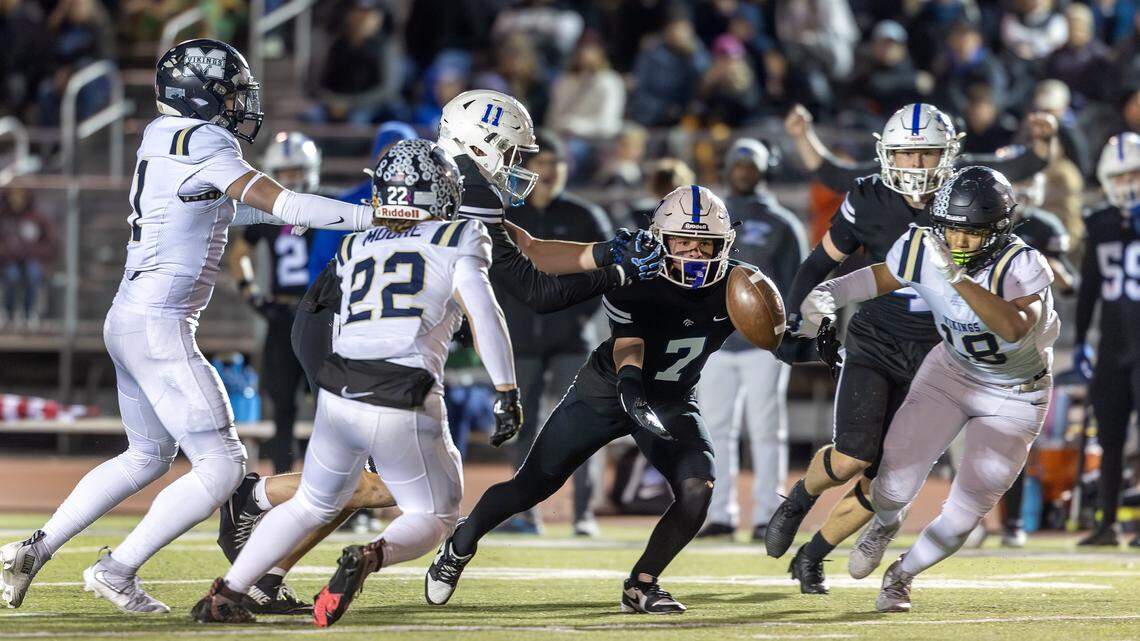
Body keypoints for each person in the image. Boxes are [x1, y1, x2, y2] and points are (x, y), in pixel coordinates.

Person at [212, 89, 664, 603]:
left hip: (349, 322)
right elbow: (535, 291)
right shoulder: (461, 192)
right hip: (345, 331)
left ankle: (263, 569)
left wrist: (604, 252)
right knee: (370, 486)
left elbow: (529, 248)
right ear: (480, 146)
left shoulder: (446, 178)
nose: (517, 166)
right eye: (510, 152)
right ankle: (257, 503)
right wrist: (615, 271)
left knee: (364, 484)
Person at [0, 38, 386, 613]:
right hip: (158, 323)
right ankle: (117, 568)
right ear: (201, 96)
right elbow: (290, 206)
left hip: (130, 316)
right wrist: (380, 215)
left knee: (147, 455)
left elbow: (219, 204)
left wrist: (294, 210)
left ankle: (35, 547)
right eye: (230, 94)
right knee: (225, 464)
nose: (239, 106)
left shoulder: (165, 135)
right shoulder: (205, 141)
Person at [191, 139, 521, 625]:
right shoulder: (461, 236)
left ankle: (227, 593)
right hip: (402, 390)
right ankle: (370, 557)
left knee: (310, 504)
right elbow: (485, 314)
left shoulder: (354, 243)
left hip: (339, 389)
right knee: (437, 515)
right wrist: (506, 389)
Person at [768, 103, 1054, 595]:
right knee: (854, 454)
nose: (918, 166)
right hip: (880, 341)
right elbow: (845, 268)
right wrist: (799, 319)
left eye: (928, 154)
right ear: (887, 155)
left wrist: (1042, 144)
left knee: (887, 478)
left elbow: (1019, 170)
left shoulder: (970, 198)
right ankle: (796, 501)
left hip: (941, 353)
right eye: (907, 154)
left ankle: (815, 554)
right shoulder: (882, 207)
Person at [423, 185, 739, 615]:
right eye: (684, 241)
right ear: (662, 239)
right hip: (607, 389)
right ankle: (460, 544)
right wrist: (630, 387)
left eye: (706, 244)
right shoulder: (637, 270)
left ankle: (641, 585)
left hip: (672, 396)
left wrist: (806, 337)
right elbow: (630, 341)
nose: (695, 254)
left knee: (697, 486)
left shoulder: (739, 283)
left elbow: (778, 334)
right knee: (533, 484)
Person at [499, 129, 615, 537]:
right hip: (521, 340)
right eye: (542, 164)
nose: (549, 172)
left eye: (556, 164)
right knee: (521, 426)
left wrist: (574, 313)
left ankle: (583, 513)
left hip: (571, 339)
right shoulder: (509, 216)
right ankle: (524, 511)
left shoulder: (585, 216)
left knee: (584, 422)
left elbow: (606, 273)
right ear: (527, 169)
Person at [696, 139, 806, 542]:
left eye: (751, 164)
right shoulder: (709, 216)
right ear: (728, 167)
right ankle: (721, 513)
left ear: (765, 169)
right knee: (715, 430)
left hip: (764, 344)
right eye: (738, 163)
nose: (744, 170)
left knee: (766, 428)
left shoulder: (782, 223)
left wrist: (789, 335)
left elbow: (798, 285)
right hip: (715, 342)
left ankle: (767, 514)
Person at [227, 132, 322, 476]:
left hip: (320, 313)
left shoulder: (323, 206)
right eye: (286, 171)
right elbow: (239, 254)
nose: (292, 178)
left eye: (298, 169)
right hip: (284, 315)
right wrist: (252, 293)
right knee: (283, 407)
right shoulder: (267, 214)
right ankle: (283, 478)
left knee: (327, 405)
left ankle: (324, 480)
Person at [1072, 132, 1140, 548]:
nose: (1127, 183)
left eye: (1134, 174)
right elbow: (1089, 290)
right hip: (1113, 345)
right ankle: (1106, 523)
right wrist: (1081, 339)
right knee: (1110, 435)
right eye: (1119, 176)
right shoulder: (1098, 224)